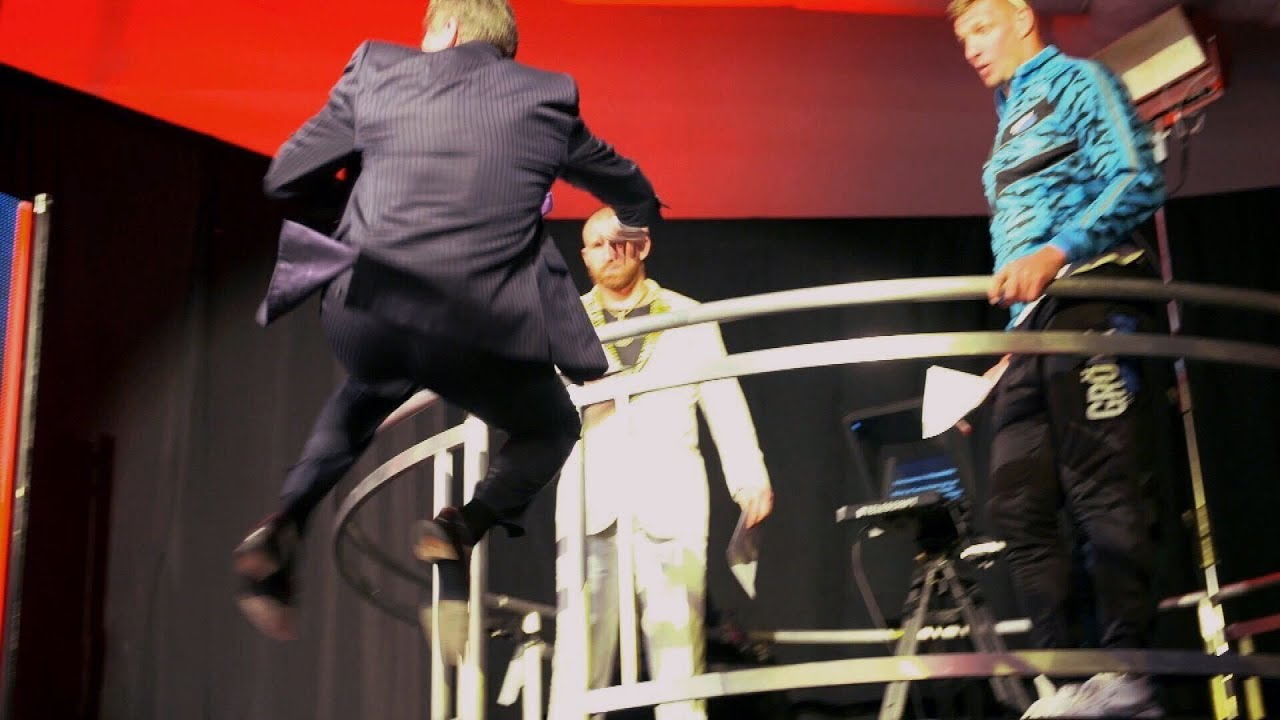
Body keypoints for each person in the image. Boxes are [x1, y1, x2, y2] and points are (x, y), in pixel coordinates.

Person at [232, 0, 661, 641]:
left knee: (366, 392)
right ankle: (459, 529)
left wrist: (359, 203)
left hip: (363, 306)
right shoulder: (546, 97)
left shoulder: (376, 69)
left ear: (449, 28)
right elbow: (627, 187)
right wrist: (637, 216)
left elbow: (286, 177)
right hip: (477, 325)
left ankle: (283, 523)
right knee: (550, 426)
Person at [949, 0, 1167, 716]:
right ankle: (1068, 680)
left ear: (1021, 18)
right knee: (1016, 501)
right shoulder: (1005, 120)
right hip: (1033, 330)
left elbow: (1138, 178)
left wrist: (1057, 251)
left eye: (981, 28)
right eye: (962, 37)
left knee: (1105, 484)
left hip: (1094, 299)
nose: (971, 47)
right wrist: (1007, 354)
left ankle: (1128, 672)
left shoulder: (1080, 80)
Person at [547, 208, 774, 720]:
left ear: (643, 245)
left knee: (677, 650)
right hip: (590, 499)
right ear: (584, 257)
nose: (609, 253)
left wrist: (748, 478)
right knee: (577, 650)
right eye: (597, 245)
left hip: (670, 497)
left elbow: (723, 398)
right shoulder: (565, 320)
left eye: (618, 241)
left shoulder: (688, 314)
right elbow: (540, 408)